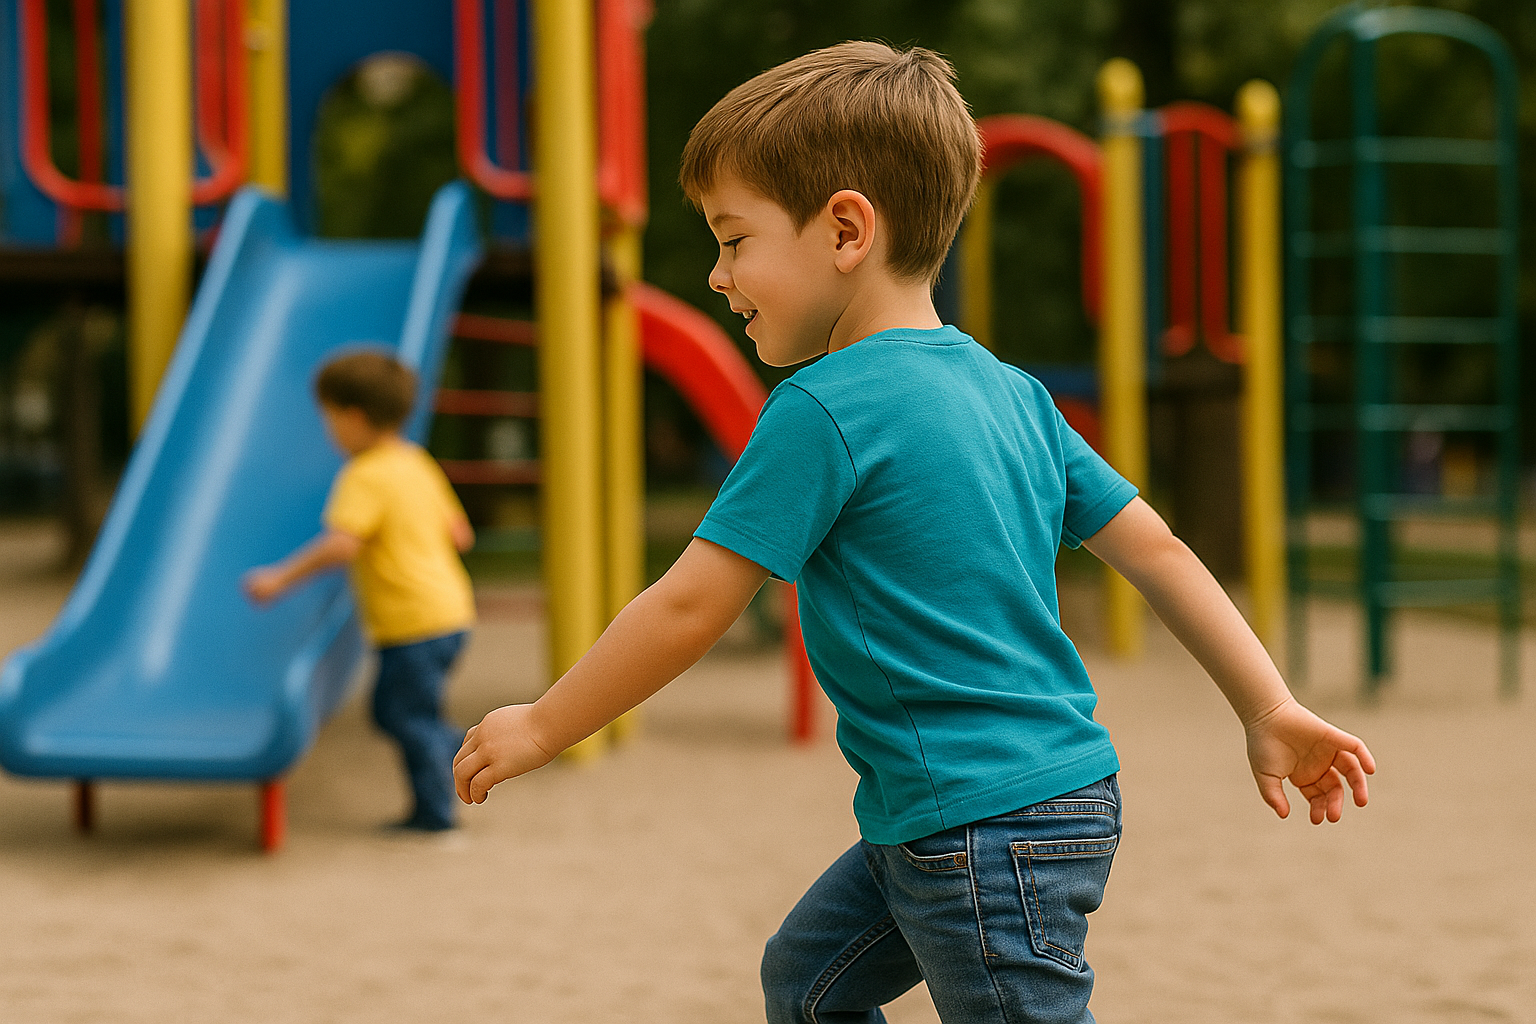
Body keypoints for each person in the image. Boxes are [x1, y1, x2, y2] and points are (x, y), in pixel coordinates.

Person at [452, 41, 1376, 1023]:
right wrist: (1266, 704)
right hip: (1033, 796)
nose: (718, 276)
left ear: (846, 228)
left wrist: (546, 721)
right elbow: (1161, 551)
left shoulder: (822, 408)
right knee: (806, 986)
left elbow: (690, 604)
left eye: (733, 239)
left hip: (973, 822)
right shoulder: (1014, 392)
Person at [246, 350, 476, 834]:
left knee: (405, 717)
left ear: (352, 417)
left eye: (327, 418)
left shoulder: (364, 474)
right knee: (400, 713)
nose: (327, 431)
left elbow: (341, 546)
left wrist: (279, 579)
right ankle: (440, 782)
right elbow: (461, 533)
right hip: (450, 612)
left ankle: (444, 800)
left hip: (414, 622)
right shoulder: (415, 462)